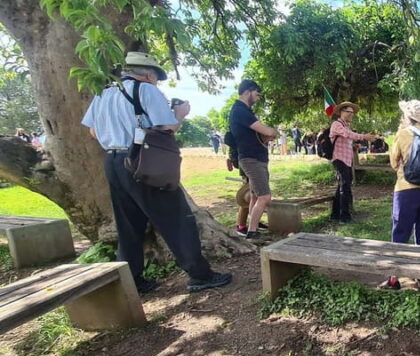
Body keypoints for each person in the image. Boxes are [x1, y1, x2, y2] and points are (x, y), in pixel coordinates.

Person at [81, 51, 232, 293]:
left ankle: (132, 280)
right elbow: (167, 128)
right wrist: (180, 115)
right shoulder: (147, 90)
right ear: (149, 74)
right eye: (156, 78)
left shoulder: (104, 93)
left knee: (128, 225)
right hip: (142, 160)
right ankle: (199, 274)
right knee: (177, 218)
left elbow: (92, 132)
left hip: (113, 161)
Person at [379, 100, 420, 290]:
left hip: (406, 189)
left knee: (400, 232)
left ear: (408, 117)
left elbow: (393, 161)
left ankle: (393, 278)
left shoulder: (403, 134)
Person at [229, 79, 278, 244]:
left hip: (256, 158)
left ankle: (252, 227)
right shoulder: (240, 110)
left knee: (256, 197)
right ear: (247, 91)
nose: (258, 97)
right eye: (257, 93)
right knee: (265, 197)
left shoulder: (245, 111)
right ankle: (252, 232)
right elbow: (266, 131)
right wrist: (272, 131)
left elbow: (261, 137)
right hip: (252, 160)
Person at [329, 102, 377, 223]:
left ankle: (335, 214)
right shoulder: (336, 124)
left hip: (346, 160)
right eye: (349, 112)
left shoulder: (346, 126)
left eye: (352, 112)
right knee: (345, 186)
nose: (352, 114)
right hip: (339, 159)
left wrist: (353, 146)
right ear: (341, 112)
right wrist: (363, 136)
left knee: (342, 186)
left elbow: (347, 139)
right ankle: (344, 217)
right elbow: (348, 135)